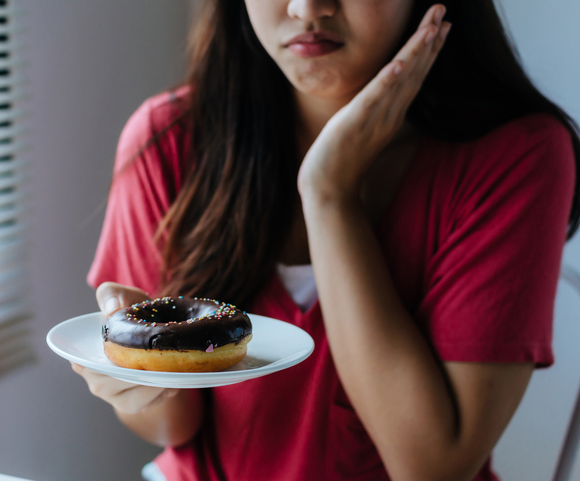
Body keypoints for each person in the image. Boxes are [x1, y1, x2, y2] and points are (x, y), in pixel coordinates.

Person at [71, 1, 580, 480]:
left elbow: (433, 467)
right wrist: (134, 385)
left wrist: (329, 194)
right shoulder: (168, 139)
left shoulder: (518, 158)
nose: (307, 7)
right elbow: (173, 428)